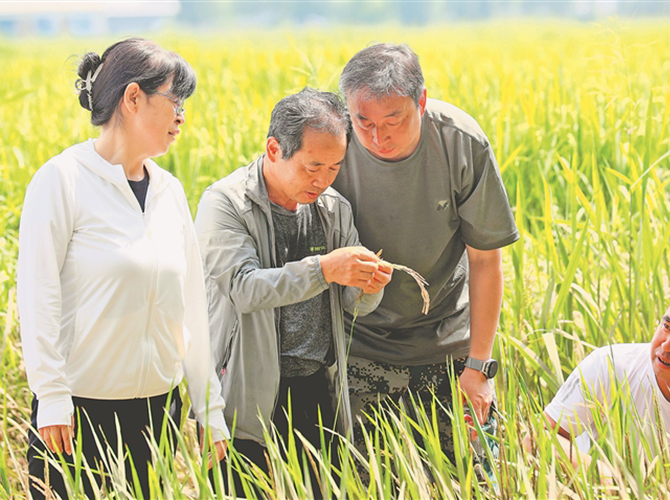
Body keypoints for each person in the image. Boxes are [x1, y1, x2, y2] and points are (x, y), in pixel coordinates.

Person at [17, 38, 229, 500]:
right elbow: (37, 297)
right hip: (76, 414)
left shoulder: (170, 191)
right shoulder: (62, 180)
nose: (182, 116)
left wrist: (208, 408)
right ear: (133, 98)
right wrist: (51, 396)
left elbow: (191, 309)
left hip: (156, 415)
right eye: (175, 101)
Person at [193, 87, 392, 495]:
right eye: (312, 166)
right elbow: (243, 288)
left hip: (316, 390)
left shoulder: (334, 208)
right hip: (246, 392)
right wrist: (325, 269)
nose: (323, 180)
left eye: (334, 167)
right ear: (274, 149)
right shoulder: (225, 203)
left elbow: (351, 305)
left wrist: (368, 286)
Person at [331, 43, 519, 461]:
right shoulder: (330, 140)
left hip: (446, 341)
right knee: (362, 478)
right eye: (363, 122)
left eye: (393, 120)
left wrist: (479, 367)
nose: (378, 137)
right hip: (356, 345)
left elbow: (485, 260)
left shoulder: (459, 142)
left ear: (421, 101)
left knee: (473, 475)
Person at [536, 283, 670, 474]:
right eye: (667, 327)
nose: (666, 346)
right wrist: (605, 477)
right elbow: (538, 437)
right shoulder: (610, 365)